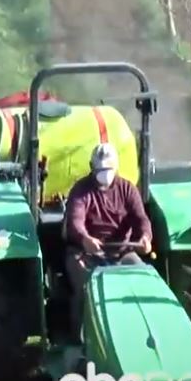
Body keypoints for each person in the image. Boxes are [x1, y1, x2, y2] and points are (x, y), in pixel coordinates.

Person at [63, 142, 152, 342]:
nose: (104, 174)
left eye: (108, 169)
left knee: (143, 278)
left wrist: (145, 237)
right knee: (88, 285)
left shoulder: (127, 190)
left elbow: (141, 219)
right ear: (91, 168)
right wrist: (85, 239)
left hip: (122, 252)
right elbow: (76, 221)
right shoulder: (81, 191)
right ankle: (81, 339)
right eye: (100, 170)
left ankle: (138, 335)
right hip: (85, 252)